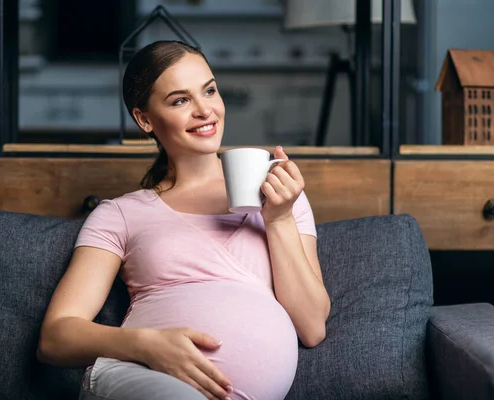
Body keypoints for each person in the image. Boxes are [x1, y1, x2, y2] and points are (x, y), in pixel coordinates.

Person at [37, 40, 331, 400]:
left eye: (209, 91)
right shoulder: (121, 214)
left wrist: (279, 218)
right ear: (144, 119)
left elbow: (312, 328)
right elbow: (55, 338)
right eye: (180, 100)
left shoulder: (282, 196)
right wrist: (148, 345)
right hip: (140, 379)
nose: (205, 110)